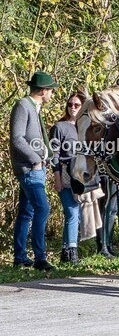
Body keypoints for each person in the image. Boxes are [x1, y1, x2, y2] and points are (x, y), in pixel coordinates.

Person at [9, 71, 57, 270]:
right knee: (42, 208)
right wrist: (36, 160)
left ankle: (20, 257)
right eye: (51, 91)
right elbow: (17, 138)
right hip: (29, 168)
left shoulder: (34, 107)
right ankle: (40, 258)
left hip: (37, 168)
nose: (52, 95)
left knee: (26, 212)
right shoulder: (23, 106)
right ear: (43, 91)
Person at [49, 92, 84, 265]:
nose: (73, 108)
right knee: (72, 212)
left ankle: (65, 253)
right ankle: (73, 251)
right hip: (64, 173)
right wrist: (57, 178)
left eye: (77, 105)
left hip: (82, 176)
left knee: (76, 216)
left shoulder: (86, 126)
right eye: (70, 104)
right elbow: (54, 154)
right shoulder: (59, 127)